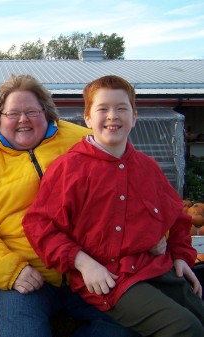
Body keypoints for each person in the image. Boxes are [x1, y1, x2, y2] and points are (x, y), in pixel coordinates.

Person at [0, 74, 141, 337]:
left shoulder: (82, 140)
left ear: (47, 113)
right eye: (12, 113)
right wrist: (10, 270)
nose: (23, 120)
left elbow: (134, 186)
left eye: (32, 112)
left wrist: (160, 238)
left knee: (124, 327)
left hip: (90, 269)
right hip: (26, 274)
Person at [23, 75, 204, 337]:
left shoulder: (147, 168)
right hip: (110, 279)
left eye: (121, 108)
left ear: (134, 117)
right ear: (87, 119)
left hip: (154, 267)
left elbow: (177, 218)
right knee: (185, 329)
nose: (112, 116)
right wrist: (83, 263)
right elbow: (38, 226)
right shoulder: (69, 169)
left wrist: (181, 255)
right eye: (102, 109)